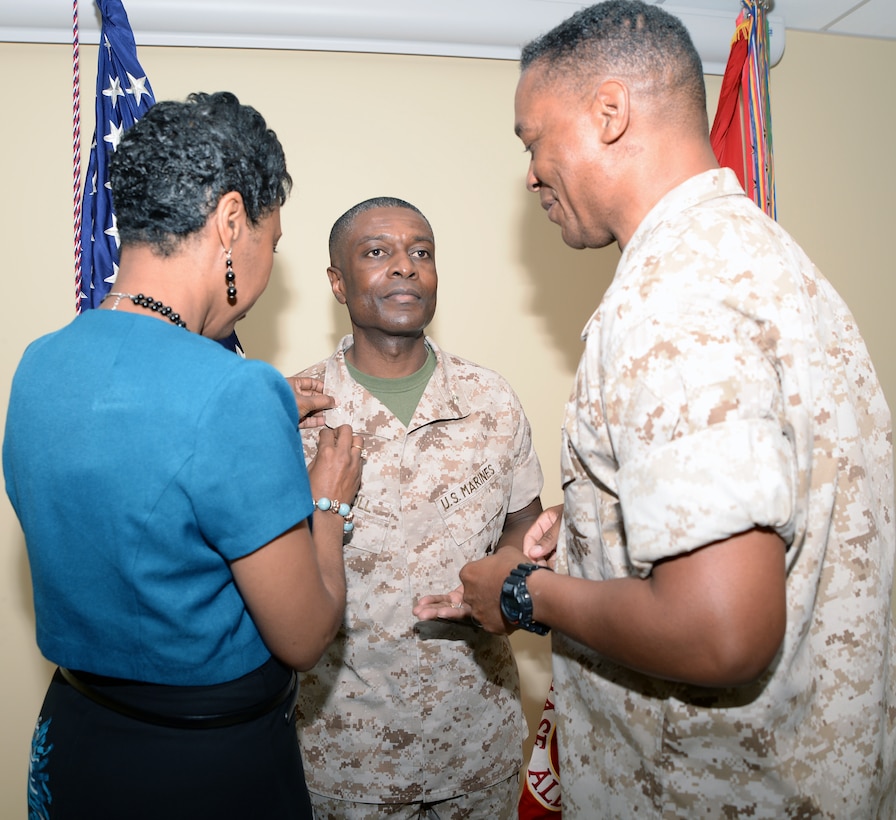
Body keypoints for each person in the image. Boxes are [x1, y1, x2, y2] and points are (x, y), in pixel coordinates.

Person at [426, 2, 896, 817]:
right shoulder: (761, 257)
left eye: (534, 139)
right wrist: (596, 533)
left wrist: (523, 591)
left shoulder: (670, 301)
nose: (531, 171)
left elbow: (722, 629)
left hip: (711, 791)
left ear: (610, 113)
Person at [2, 91, 362, 819]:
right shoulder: (233, 392)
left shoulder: (38, 363)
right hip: (203, 773)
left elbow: (133, 470)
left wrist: (248, 426)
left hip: (78, 744)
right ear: (232, 221)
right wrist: (326, 500)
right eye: (271, 240)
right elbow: (304, 635)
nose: (265, 269)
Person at [291, 196, 544, 819]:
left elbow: (526, 530)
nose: (405, 267)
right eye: (377, 252)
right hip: (345, 757)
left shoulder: (491, 400)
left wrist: (507, 590)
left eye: (421, 252)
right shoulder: (291, 412)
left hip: (476, 745)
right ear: (336, 282)